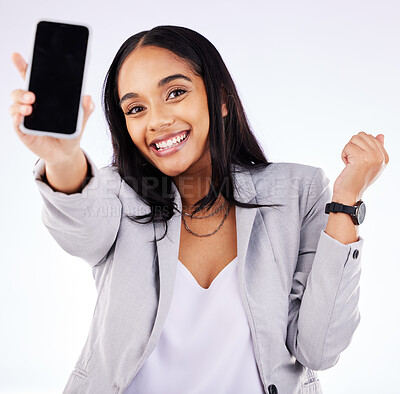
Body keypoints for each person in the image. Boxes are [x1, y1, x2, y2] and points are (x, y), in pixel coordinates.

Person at [10, 25, 389, 394]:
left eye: (175, 92)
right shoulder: (115, 192)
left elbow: (319, 349)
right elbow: (80, 228)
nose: (156, 121)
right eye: (136, 108)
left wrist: (345, 201)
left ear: (220, 98)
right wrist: (62, 159)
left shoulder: (297, 191)